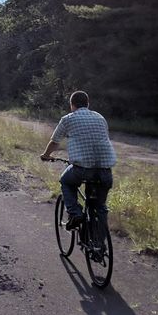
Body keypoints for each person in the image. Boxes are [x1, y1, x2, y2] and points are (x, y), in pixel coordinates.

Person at [40, 90, 116, 230]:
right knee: (100, 207)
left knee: (66, 181)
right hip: (105, 171)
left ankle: (75, 214)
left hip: (82, 169)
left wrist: (46, 155)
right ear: (88, 104)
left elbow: (55, 142)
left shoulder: (68, 119)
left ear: (72, 104)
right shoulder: (100, 118)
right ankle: (100, 246)